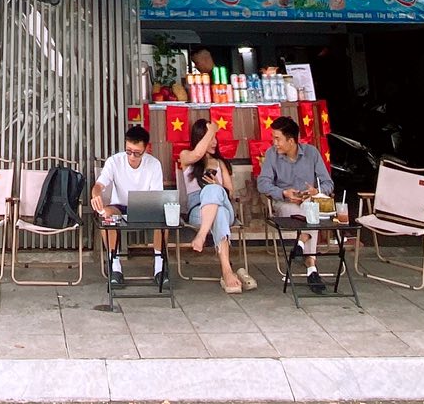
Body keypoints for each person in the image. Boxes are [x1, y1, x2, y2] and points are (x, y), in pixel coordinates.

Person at [176, 117, 256, 294]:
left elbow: (231, 192)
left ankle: (201, 235)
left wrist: (218, 185)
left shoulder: (220, 163)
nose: (214, 142)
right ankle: (227, 271)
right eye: (210, 138)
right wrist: (212, 129)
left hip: (225, 206)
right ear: (199, 139)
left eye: (215, 137)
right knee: (217, 213)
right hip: (198, 210)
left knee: (213, 190)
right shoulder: (186, 156)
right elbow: (197, 154)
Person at [257, 115, 334, 294]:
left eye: (278, 139)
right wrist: (283, 193)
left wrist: (316, 191)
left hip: (309, 202)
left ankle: (307, 258)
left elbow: (328, 183)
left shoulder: (311, 153)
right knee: (309, 216)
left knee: (311, 211)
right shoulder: (271, 154)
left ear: (291, 141)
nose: (275, 143)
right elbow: (262, 184)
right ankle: (310, 265)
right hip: (285, 204)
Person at [92, 123, 166, 288]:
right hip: (119, 206)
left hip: (145, 206)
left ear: (146, 149)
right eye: (128, 151)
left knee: (163, 218)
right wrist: (96, 194)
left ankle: (160, 267)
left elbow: (156, 196)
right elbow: (99, 184)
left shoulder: (154, 164)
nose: (132, 156)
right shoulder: (115, 161)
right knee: (107, 216)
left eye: (137, 153)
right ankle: (115, 266)